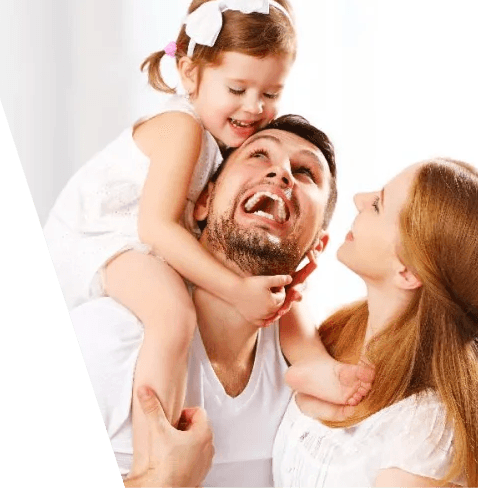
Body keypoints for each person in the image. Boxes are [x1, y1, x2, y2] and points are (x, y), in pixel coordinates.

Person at [43, 0, 371, 479]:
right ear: (203, 203)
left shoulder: (288, 364)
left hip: (152, 242)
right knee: (172, 314)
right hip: (102, 241)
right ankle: (161, 445)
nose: (254, 108)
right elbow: (156, 226)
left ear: (317, 247)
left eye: (271, 93)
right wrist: (238, 289)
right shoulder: (184, 132)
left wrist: (324, 368)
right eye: (238, 89)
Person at [71, 115, 343, 487]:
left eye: (305, 172)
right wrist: (164, 482)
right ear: (203, 200)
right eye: (259, 155)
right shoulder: (105, 340)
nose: (281, 173)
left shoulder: (305, 377)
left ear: (318, 245)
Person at [271, 158, 478, 487]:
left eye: (378, 204)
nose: (359, 199)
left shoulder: (426, 429)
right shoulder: (340, 338)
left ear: (406, 271)